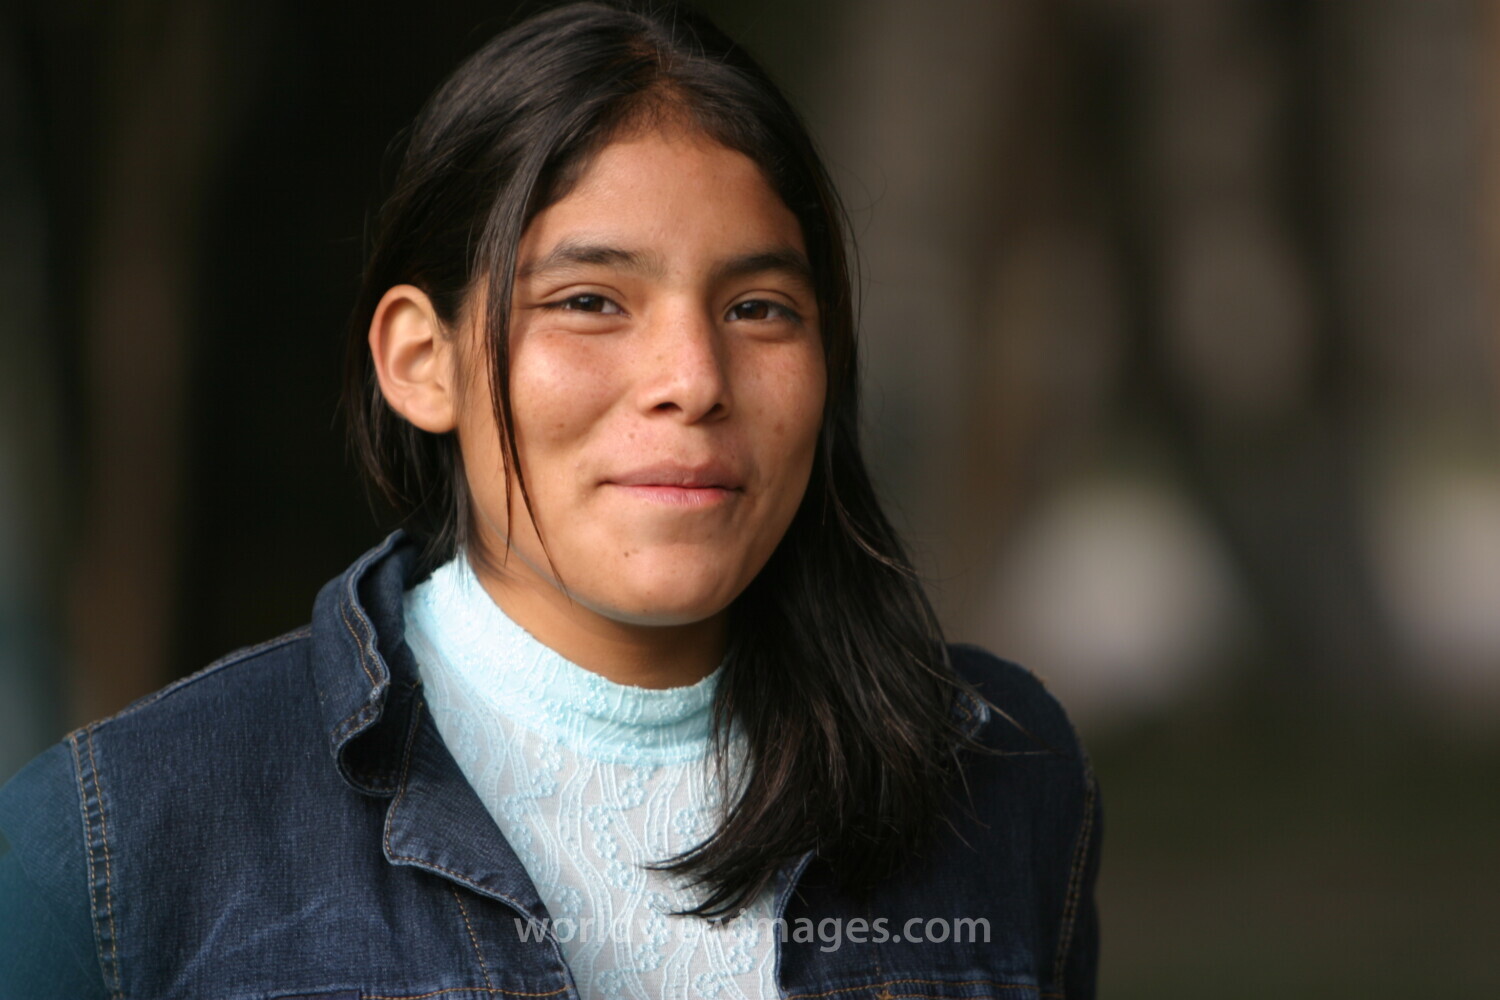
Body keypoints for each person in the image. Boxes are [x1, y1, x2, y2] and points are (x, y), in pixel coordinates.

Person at [0, 2, 1100, 997]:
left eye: (760, 308)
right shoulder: (116, 843)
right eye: (589, 301)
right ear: (421, 361)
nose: (695, 379)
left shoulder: (999, 773)